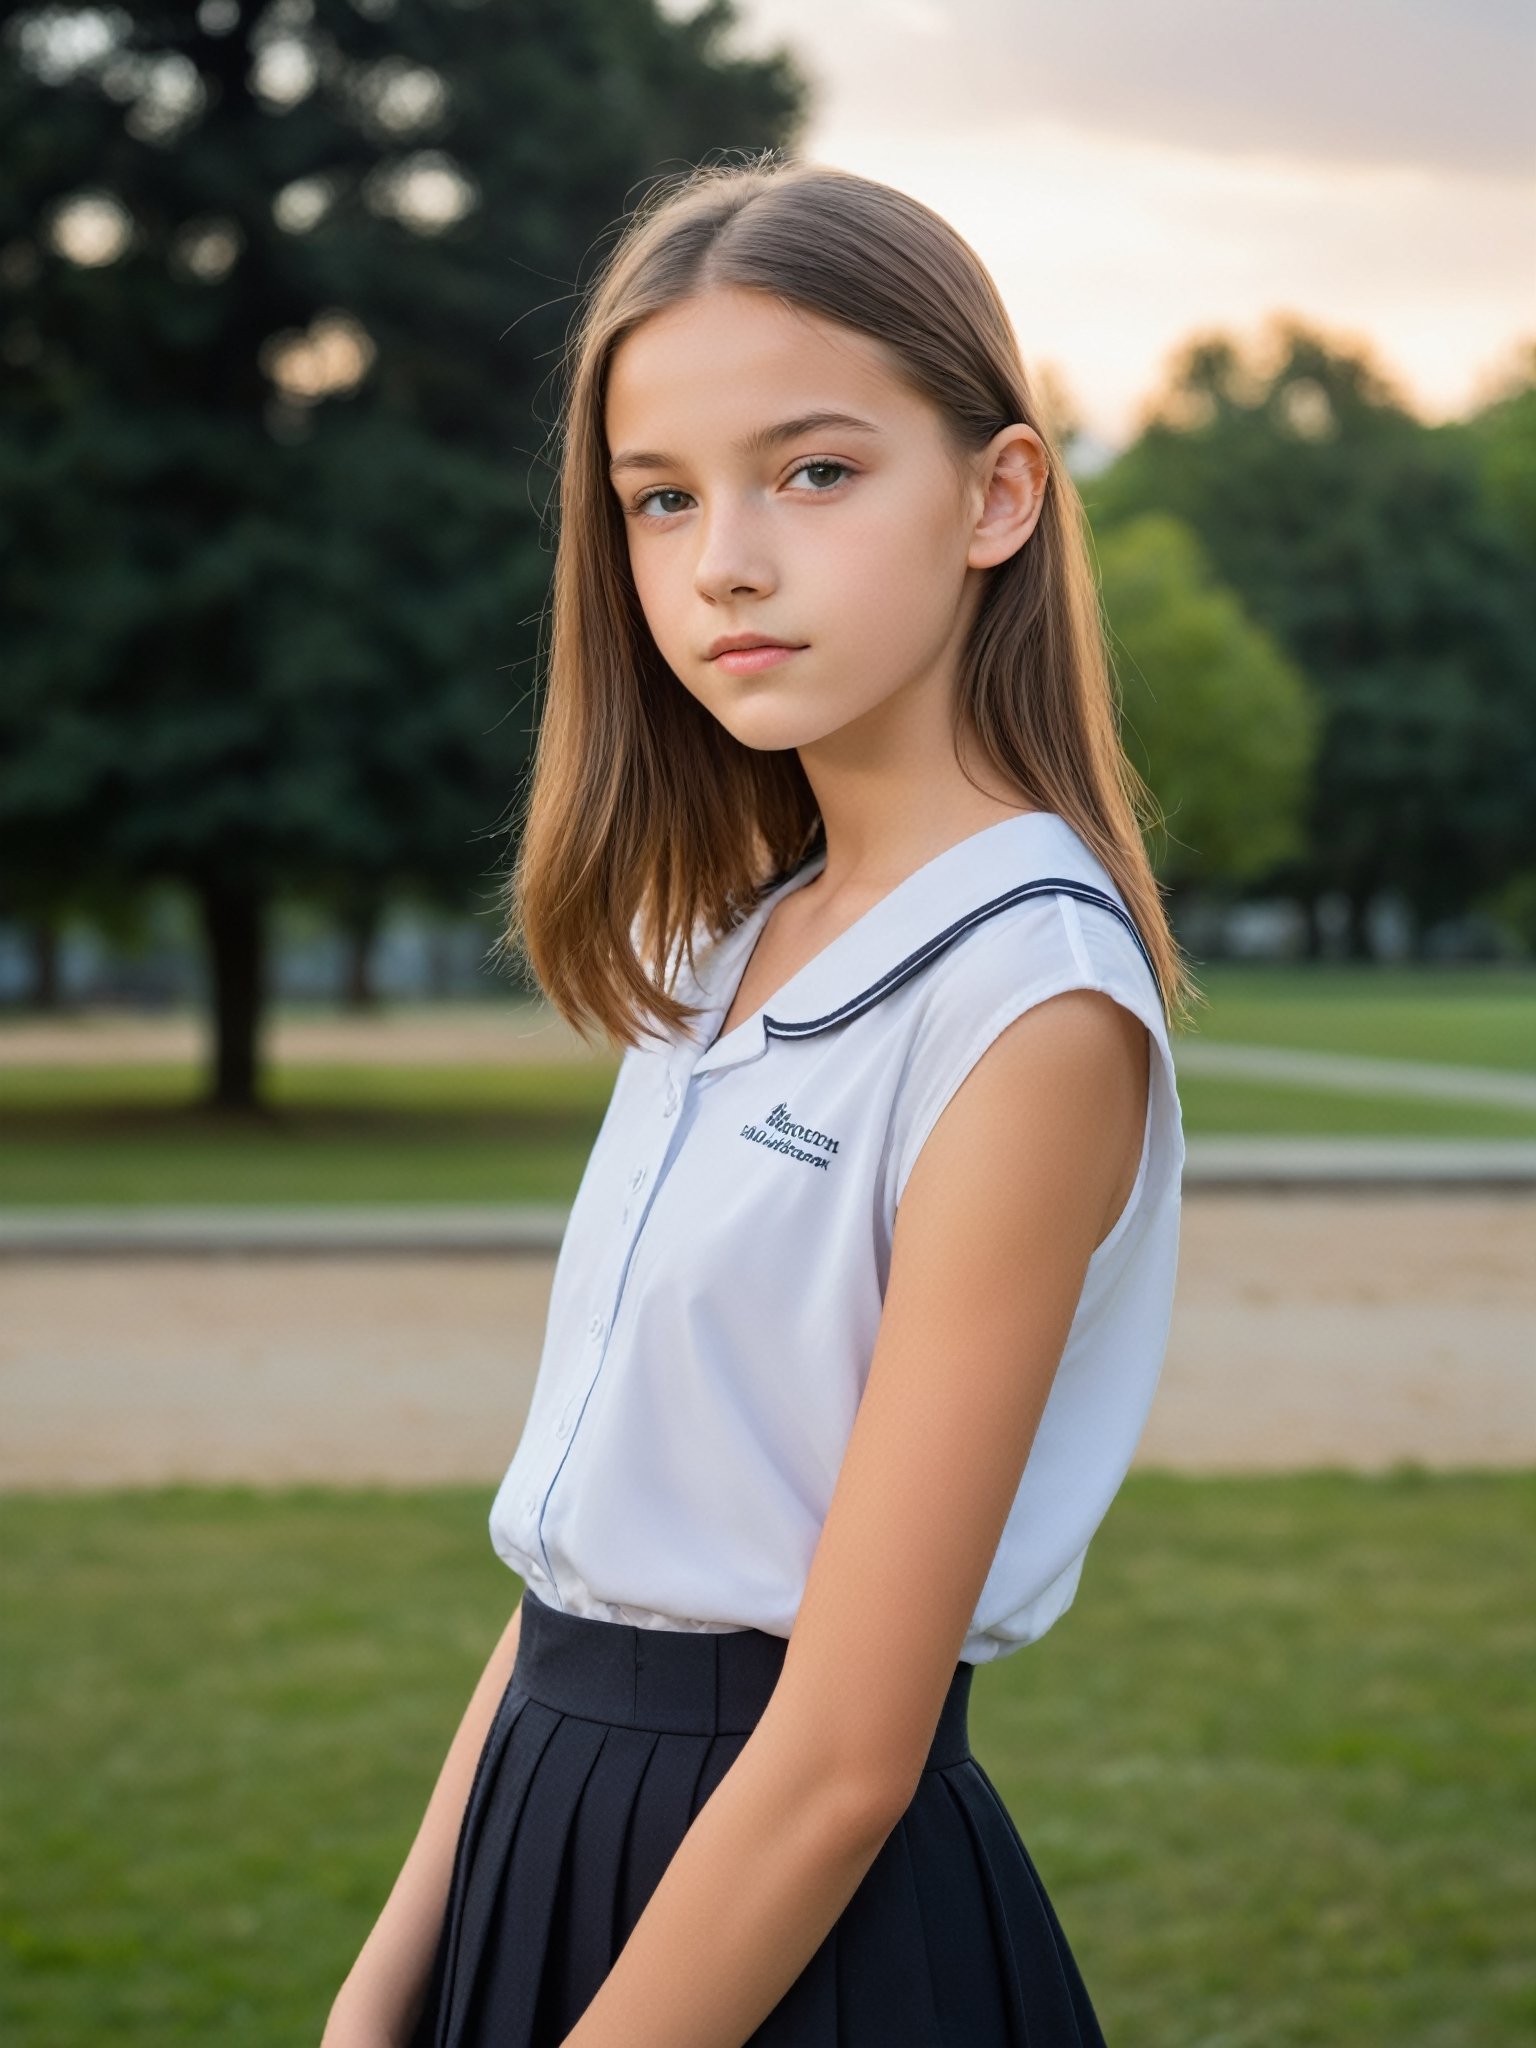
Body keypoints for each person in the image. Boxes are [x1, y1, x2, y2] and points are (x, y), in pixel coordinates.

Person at [323, 150, 1201, 2048]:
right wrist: (384, 1982)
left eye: (812, 471)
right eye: (660, 498)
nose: (723, 554)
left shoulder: (1028, 997)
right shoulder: (723, 942)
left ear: (997, 493)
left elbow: (839, 1753)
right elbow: (590, 1545)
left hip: (786, 1923)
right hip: (540, 1833)